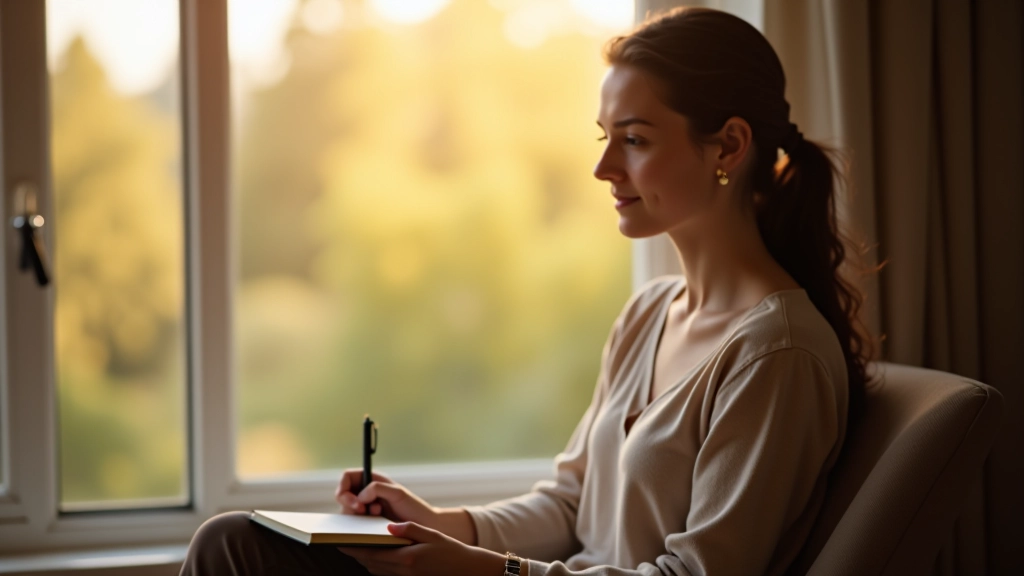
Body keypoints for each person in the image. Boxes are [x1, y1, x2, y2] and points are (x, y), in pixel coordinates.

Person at [180, 6, 873, 576]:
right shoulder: (649, 313)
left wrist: (481, 570)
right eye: (604, 137)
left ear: (727, 147)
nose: (602, 166)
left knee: (235, 553)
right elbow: (571, 503)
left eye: (633, 140)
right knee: (234, 540)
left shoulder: (776, 356)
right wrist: (433, 523)